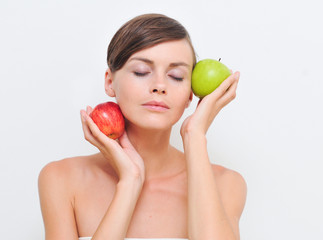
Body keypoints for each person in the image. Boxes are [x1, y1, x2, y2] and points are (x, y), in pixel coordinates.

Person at [38, 13, 247, 240]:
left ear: (190, 94)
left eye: (176, 76)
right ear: (110, 82)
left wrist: (194, 135)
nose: (159, 85)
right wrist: (130, 181)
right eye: (141, 72)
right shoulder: (62, 179)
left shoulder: (226, 184)